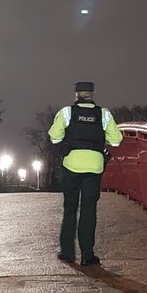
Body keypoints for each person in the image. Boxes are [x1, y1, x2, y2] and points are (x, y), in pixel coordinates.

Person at [49, 80, 122, 266]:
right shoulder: (103, 114)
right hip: (95, 167)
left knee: (70, 209)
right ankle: (88, 255)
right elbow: (116, 140)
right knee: (89, 210)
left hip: (71, 165)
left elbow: (54, 136)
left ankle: (67, 252)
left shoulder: (67, 112)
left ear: (76, 94)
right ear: (92, 94)